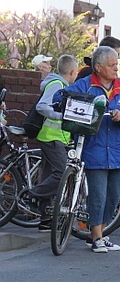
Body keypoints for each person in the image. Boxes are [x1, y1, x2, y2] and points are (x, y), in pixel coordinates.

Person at [55, 46, 120, 252]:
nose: (116, 68)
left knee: (113, 197)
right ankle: (96, 238)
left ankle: (99, 234)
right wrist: (71, 105)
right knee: (98, 195)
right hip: (94, 149)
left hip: (119, 150)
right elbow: (60, 97)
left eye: (117, 64)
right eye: (112, 65)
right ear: (98, 67)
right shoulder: (84, 85)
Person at [23, 54, 78, 231]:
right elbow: (42, 106)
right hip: (51, 136)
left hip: (53, 137)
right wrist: (61, 116)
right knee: (61, 173)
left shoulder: (60, 85)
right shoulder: (57, 85)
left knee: (48, 175)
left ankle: (45, 218)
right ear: (72, 72)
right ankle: (32, 195)